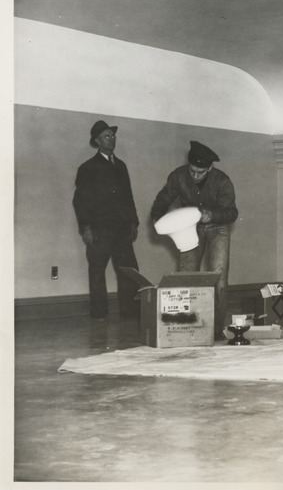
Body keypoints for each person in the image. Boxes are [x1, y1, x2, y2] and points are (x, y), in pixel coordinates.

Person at [151, 141, 238, 339]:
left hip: (218, 228)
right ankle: (183, 326)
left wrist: (213, 215)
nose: (195, 176)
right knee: (186, 274)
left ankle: (215, 330)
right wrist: (157, 218)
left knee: (219, 277)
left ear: (210, 168)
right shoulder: (178, 176)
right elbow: (163, 198)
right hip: (190, 227)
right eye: (192, 171)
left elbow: (232, 212)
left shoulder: (222, 181)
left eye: (201, 172)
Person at [72, 120, 140, 320]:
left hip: (122, 230)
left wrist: (133, 222)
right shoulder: (88, 167)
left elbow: (128, 197)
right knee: (97, 271)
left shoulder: (121, 166)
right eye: (106, 136)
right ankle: (99, 314)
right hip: (99, 229)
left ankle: (130, 312)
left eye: (113, 135)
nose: (112, 139)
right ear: (97, 141)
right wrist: (86, 228)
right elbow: (80, 201)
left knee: (128, 271)